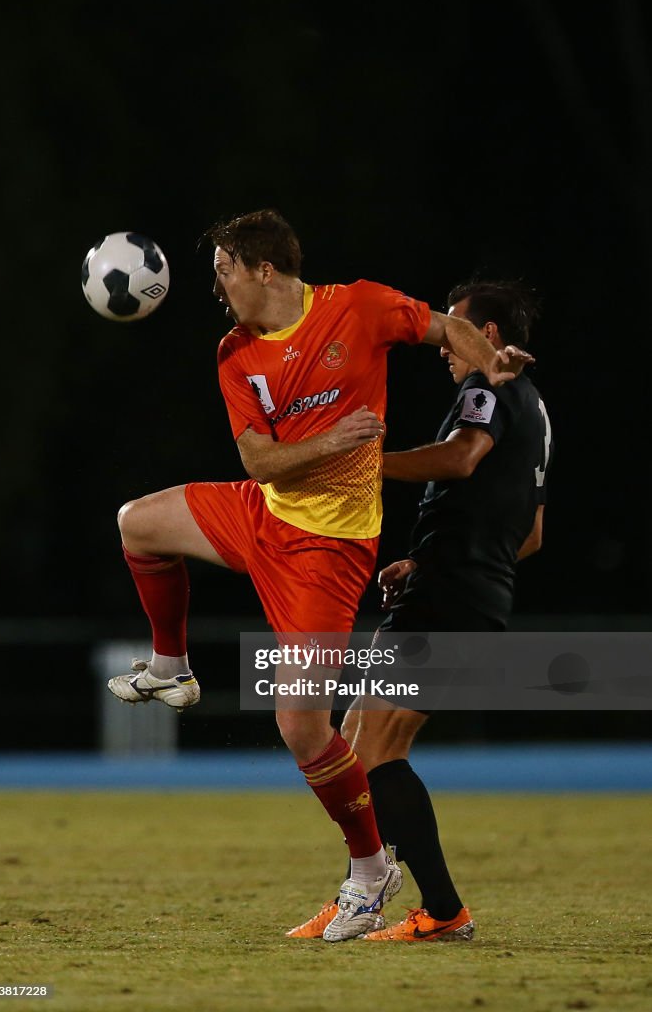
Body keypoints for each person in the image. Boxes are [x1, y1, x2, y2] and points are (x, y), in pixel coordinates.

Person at [105, 213, 532, 942]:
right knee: (137, 522)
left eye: (223, 270)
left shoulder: (358, 306)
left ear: (261, 267)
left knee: (302, 728)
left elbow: (443, 328)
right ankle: (172, 667)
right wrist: (333, 439)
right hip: (261, 513)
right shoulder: (234, 352)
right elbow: (258, 463)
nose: (216, 285)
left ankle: (370, 874)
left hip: (326, 551)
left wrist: (488, 366)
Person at [287, 279, 552, 942]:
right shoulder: (535, 408)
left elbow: (462, 458)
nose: (440, 343)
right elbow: (531, 531)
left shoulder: (487, 386)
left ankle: (435, 908)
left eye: (452, 327)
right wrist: (430, 563)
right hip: (455, 591)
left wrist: (363, 462)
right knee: (356, 738)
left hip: (450, 600)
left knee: (371, 751)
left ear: (486, 336)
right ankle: (368, 891)